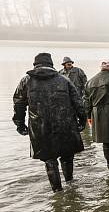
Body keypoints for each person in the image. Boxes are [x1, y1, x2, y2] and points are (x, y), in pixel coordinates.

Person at [12, 52, 86, 192]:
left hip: (40, 128)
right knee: (67, 155)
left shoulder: (26, 81)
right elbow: (78, 103)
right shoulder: (64, 80)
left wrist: (20, 124)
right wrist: (82, 121)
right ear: (51, 65)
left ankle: (57, 192)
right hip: (65, 125)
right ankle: (70, 185)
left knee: (49, 159)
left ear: (35, 65)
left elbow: (18, 104)